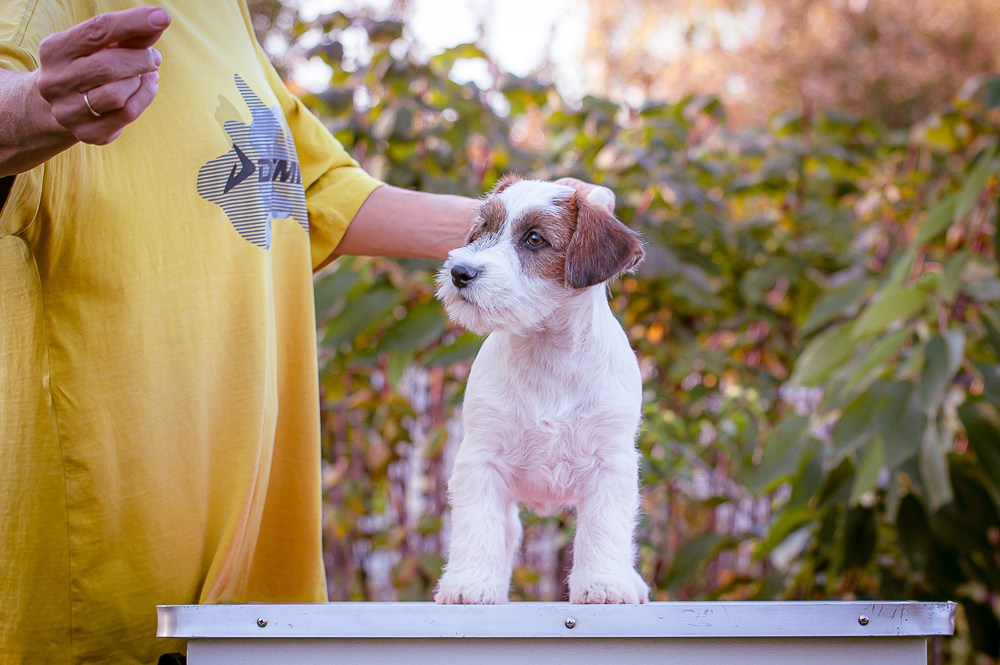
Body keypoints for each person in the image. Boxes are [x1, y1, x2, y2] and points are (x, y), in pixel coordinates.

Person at [0, 3, 614, 663]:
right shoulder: (44, 10)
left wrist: (526, 229)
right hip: (110, 593)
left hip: (254, 597)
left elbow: (324, 190)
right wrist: (31, 109)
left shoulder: (221, 13)